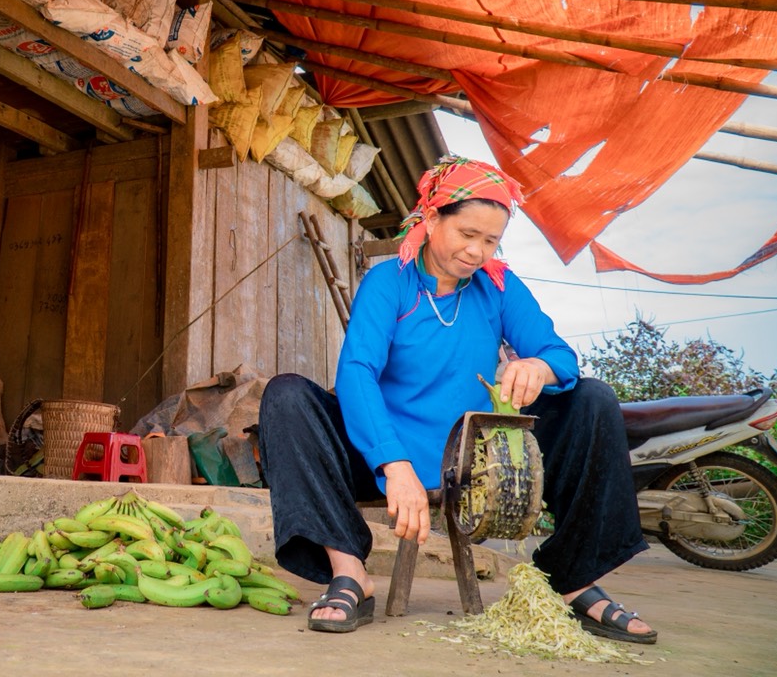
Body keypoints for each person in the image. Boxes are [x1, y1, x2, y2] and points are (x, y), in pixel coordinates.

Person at [258, 156, 656, 643]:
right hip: (380, 451)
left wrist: (539, 366)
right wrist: (392, 463)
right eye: (467, 234)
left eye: (490, 241)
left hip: (472, 459)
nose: (477, 251)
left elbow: (561, 356)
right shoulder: (390, 282)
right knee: (287, 395)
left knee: (592, 398)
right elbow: (357, 372)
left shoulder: (499, 286)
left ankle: (574, 580)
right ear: (431, 220)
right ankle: (349, 575)